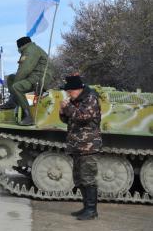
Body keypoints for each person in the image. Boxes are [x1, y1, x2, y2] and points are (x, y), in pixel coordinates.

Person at [59, 75, 102, 221]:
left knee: (88, 178)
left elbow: (83, 116)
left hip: (88, 146)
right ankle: (86, 207)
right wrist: (62, 110)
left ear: (77, 89)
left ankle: (91, 210)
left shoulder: (91, 99)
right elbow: (67, 119)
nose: (68, 94)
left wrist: (67, 106)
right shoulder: (76, 100)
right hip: (77, 145)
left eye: (69, 92)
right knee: (79, 178)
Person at [0, 36, 53, 125]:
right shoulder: (29, 49)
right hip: (34, 77)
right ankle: (13, 102)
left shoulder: (30, 50)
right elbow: (21, 71)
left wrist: (15, 87)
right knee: (11, 78)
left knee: (17, 86)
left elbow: (25, 70)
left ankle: (28, 116)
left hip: (40, 79)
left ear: (21, 46)